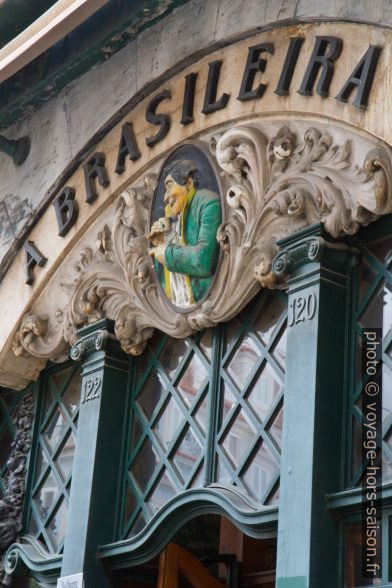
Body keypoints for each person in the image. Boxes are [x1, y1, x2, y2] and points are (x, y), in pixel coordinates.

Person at [148, 159, 222, 307]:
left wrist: (167, 253)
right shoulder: (177, 222)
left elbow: (203, 261)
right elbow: (165, 287)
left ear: (188, 183)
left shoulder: (207, 202)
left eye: (169, 188)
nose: (165, 197)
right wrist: (162, 243)